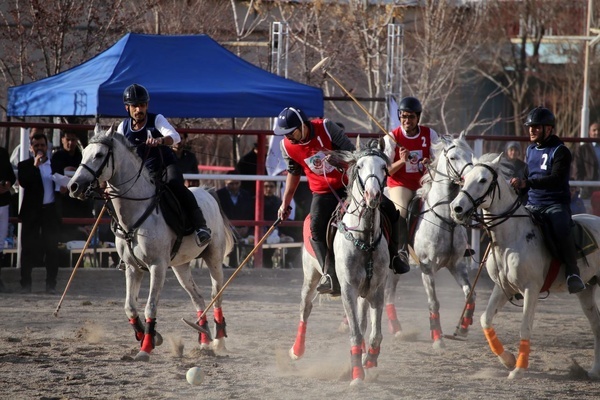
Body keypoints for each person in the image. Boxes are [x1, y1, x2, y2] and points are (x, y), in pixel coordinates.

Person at [274, 106, 408, 296]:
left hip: (350, 186)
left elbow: (355, 157)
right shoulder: (286, 146)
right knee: (316, 228)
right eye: (285, 134)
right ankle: (329, 275)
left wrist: (338, 160)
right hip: (322, 192)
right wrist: (285, 202)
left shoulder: (327, 127)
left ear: (302, 125)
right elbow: (294, 173)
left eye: (290, 132)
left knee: (390, 209)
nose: (288, 137)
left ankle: (394, 256)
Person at [116, 83, 211, 246]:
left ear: (147, 105)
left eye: (142, 105)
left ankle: (200, 227)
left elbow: (175, 137)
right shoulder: (122, 127)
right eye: (135, 106)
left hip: (165, 167)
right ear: (127, 108)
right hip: (141, 174)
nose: (139, 109)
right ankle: (127, 244)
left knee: (176, 185)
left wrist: (160, 140)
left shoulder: (156, 119)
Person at [509, 106, 586, 294]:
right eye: (530, 127)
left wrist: (527, 182)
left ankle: (572, 272)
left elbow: (556, 179)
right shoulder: (530, 149)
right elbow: (527, 172)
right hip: (532, 204)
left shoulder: (561, 151)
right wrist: (516, 183)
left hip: (554, 204)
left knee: (561, 226)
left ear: (549, 129)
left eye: (537, 127)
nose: (532, 130)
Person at [383, 96, 439, 270]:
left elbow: (439, 161)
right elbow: (386, 170)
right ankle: (401, 251)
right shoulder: (392, 137)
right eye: (404, 116)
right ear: (399, 116)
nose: (407, 120)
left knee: (444, 203)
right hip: (400, 183)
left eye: (411, 117)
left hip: (424, 182)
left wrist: (430, 163)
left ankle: (454, 244)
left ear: (418, 117)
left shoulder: (430, 134)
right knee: (401, 210)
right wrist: (401, 161)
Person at [18, 132, 61, 294]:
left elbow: (60, 185)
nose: (40, 148)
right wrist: (35, 166)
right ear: (31, 148)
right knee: (28, 249)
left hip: (50, 212)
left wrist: (63, 188)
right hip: (32, 213)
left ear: (47, 147)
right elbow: (23, 182)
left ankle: (51, 284)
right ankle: (25, 284)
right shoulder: (25, 165)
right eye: (36, 146)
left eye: (42, 145)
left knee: (52, 249)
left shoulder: (55, 165)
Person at [51, 130, 94, 244]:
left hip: (78, 200)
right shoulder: (57, 156)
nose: (70, 143)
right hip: (63, 199)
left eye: (73, 140)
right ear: (62, 140)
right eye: (68, 139)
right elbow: (54, 174)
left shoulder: (80, 156)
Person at [216, 172, 255, 268]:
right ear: (225, 182)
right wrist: (231, 228)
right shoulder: (219, 195)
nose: (234, 186)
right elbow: (219, 213)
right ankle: (229, 264)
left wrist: (246, 226)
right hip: (225, 228)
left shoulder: (246, 195)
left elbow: (250, 212)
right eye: (231, 184)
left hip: (244, 228)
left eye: (236, 183)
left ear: (240, 182)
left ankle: (245, 263)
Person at [0, 146, 16, 292]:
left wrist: (7, 183)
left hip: (2, 202)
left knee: (0, 241)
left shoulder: (3, 152)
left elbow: (11, 175)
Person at [571, 121, 600, 199]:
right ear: (589, 132)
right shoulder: (582, 149)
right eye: (594, 130)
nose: (597, 132)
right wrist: (584, 186)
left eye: (599, 130)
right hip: (588, 191)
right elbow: (576, 170)